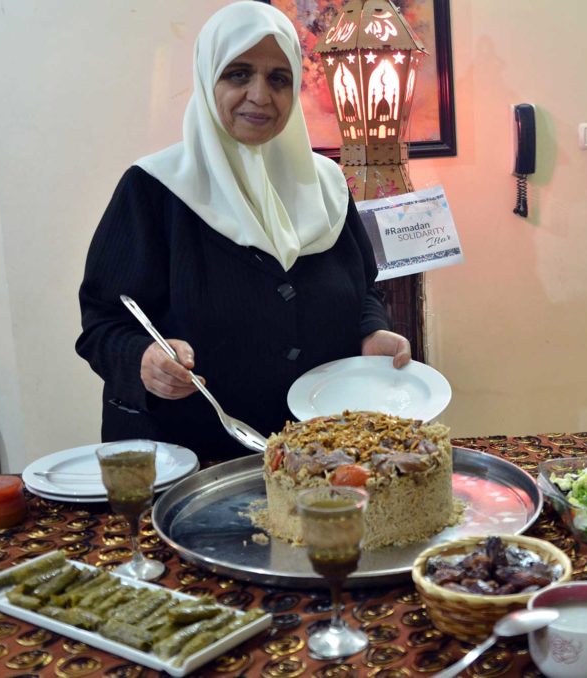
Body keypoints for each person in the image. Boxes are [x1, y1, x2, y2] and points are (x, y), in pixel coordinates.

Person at [76, 2, 411, 462]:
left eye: (279, 78)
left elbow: (360, 291)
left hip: (318, 456)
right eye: (238, 74)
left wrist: (371, 333)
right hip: (188, 462)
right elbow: (103, 321)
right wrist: (142, 360)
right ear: (207, 77)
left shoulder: (327, 186)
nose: (260, 95)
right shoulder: (154, 191)